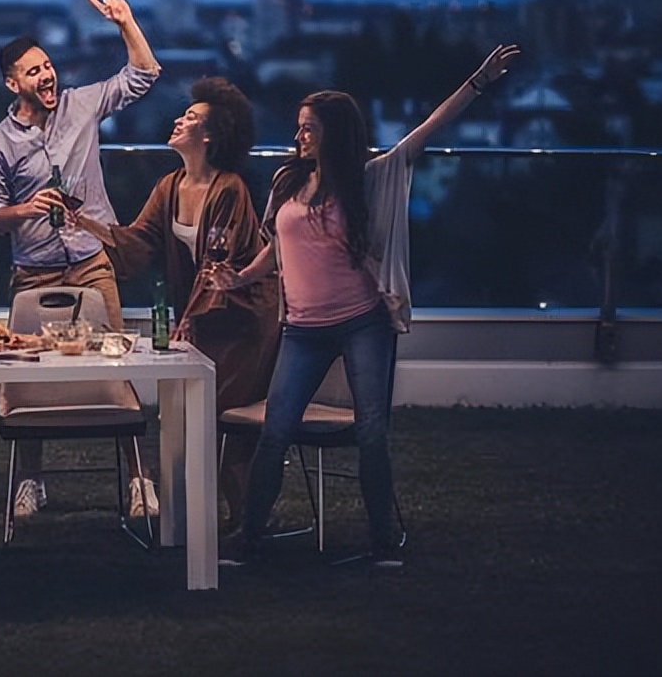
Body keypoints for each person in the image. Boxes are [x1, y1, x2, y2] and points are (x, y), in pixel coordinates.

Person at [213, 44, 521, 567]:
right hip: (303, 328)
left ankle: (383, 542)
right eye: (299, 126)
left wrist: (479, 81)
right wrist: (239, 277)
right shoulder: (289, 181)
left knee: (372, 432)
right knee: (276, 431)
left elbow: (428, 129)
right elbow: (277, 249)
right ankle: (248, 539)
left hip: (361, 322)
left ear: (333, 130)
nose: (299, 135)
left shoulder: (370, 178)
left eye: (309, 127)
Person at [0, 0, 162, 520]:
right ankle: (31, 480)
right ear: (13, 83)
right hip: (33, 269)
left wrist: (126, 21)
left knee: (115, 362)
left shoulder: (82, 104)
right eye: (34, 71)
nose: (47, 75)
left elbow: (143, 76)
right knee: (33, 377)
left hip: (90, 257)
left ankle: (137, 480)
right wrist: (25, 209)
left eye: (49, 65)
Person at [69, 77, 280, 528]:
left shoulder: (230, 190)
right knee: (191, 418)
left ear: (210, 135)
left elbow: (217, 268)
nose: (179, 120)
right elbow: (137, 241)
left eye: (190, 118)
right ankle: (200, 523)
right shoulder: (170, 185)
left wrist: (186, 325)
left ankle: (244, 524)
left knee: (224, 421)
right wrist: (81, 221)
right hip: (203, 317)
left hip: (243, 319)